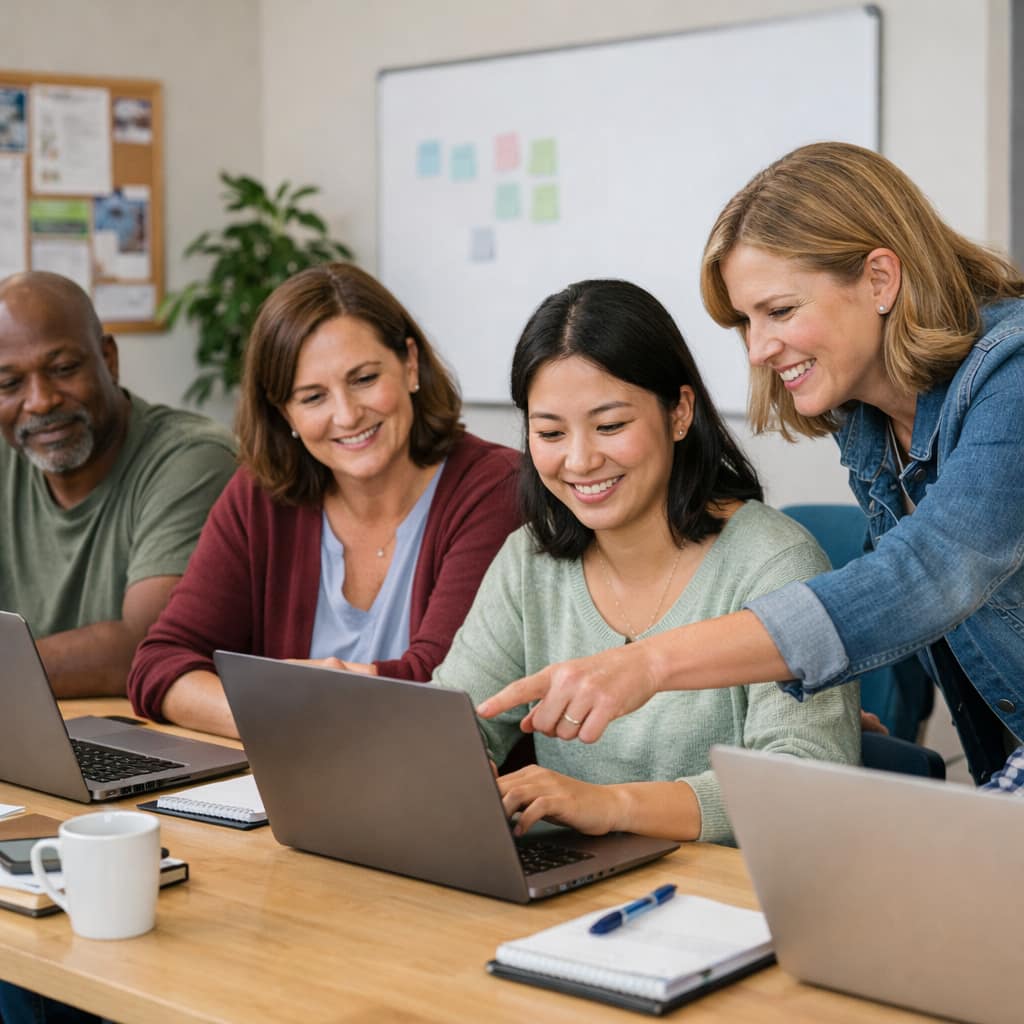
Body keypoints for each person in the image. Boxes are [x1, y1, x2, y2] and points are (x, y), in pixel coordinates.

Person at [476, 142, 1024, 792]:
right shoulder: (870, 428)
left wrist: (647, 665)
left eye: (781, 311)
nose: (760, 349)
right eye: (746, 321)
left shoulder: (1012, 376)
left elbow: (933, 573)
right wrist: (832, 706)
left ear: (880, 279)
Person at [433, 279, 859, 843]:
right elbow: (455, 720)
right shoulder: (529, 561)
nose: (580, 460)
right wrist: (451, 772)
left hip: (731, 896)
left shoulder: (773, 562)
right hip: (576, 889)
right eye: (550, 433)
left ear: (679, 413)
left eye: (611, 426)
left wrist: (611, 805)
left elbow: (804, 783)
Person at [127, 262, 519, 738]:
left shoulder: (493, 488)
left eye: (364, 379)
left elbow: (442, 688)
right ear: (283, 412)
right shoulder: (261, 496)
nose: (347, 414)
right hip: (281, 790)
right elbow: (159, 664)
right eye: (312, 397)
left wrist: (292, 700)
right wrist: (278, 718)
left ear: (410, 364)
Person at [0, 271, 236, 697]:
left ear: (108, 358)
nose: (40, 400)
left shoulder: (191, 458)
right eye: (9, 384)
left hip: (151, 739)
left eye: (63, 368)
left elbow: (146, 647)